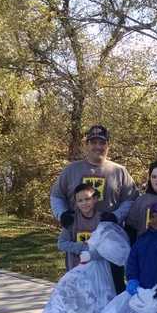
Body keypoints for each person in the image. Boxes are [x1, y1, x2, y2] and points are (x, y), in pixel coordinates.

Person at [50, 124, 139, 291]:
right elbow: (56, 196)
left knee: (112, 289)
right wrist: (61, 214)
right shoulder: (71, 170)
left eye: (102, 143)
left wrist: (116, 216)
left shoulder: (119, 172)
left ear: (108, 145)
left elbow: (131, 199)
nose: (98, 147)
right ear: (87, 144)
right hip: (79, 241)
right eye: (93, 142)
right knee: (79, 295)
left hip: (109, 243)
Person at [56, 184, 101, 270]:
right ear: (76, 203)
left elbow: (106, 247)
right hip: (75, 269)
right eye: (80, 201)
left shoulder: (102, 220)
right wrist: (85, 247)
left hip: (97, 269)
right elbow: (61, 244)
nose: (84, 203)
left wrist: (93, 253)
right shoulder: (71, 220)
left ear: (95, 199)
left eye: (87, 199)